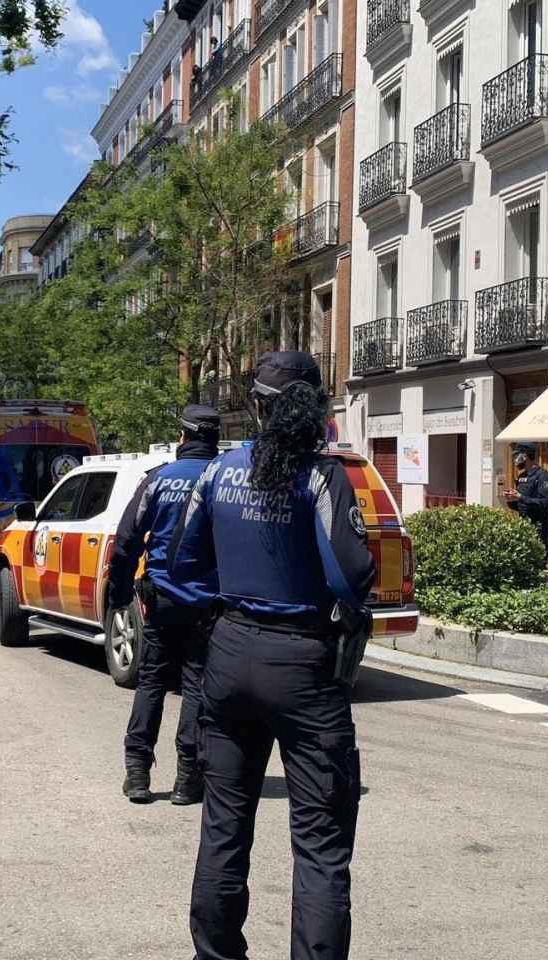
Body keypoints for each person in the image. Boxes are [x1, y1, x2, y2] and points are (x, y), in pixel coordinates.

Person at [169, 351, 376, 960]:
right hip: (305, 664)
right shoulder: (322, 476)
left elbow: (182, 564)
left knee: (224, 827)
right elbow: (351, 573)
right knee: (320, 842)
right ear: (313, 407)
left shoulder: (217, 472)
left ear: (256, 404)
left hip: (229, 656)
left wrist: (218, 613)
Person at [107, 403, 222, 806]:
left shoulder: (158, 480)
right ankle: (187, 780)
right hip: (208, 606)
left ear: (184, 438)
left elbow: (126, 540)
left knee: (152, 681)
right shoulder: (227, 479)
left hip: (160, 600)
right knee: (196, 687)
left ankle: (137, 774)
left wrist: (117, 595)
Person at [502, 443, 548, 556]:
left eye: (517, 456)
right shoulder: (522, 477)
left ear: (525, 456)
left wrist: (520, 497)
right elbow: (522, 505)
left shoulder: (543, 477)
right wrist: (510, 500)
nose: (515, 460)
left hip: (538, 528)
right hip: (523, 527)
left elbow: (545, 503)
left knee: (538, 564)